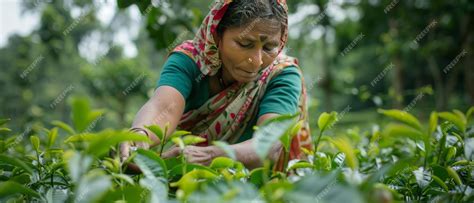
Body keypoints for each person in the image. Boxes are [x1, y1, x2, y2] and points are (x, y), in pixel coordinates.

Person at [120, 0, 312, 171]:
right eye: (245, 44)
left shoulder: (282, 75)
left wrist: (211, 155)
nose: (256, 61)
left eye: (269, 48)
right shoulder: (190, 61)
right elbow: (164, 109)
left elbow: (270, 144)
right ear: (218, 35)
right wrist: (140, 134)